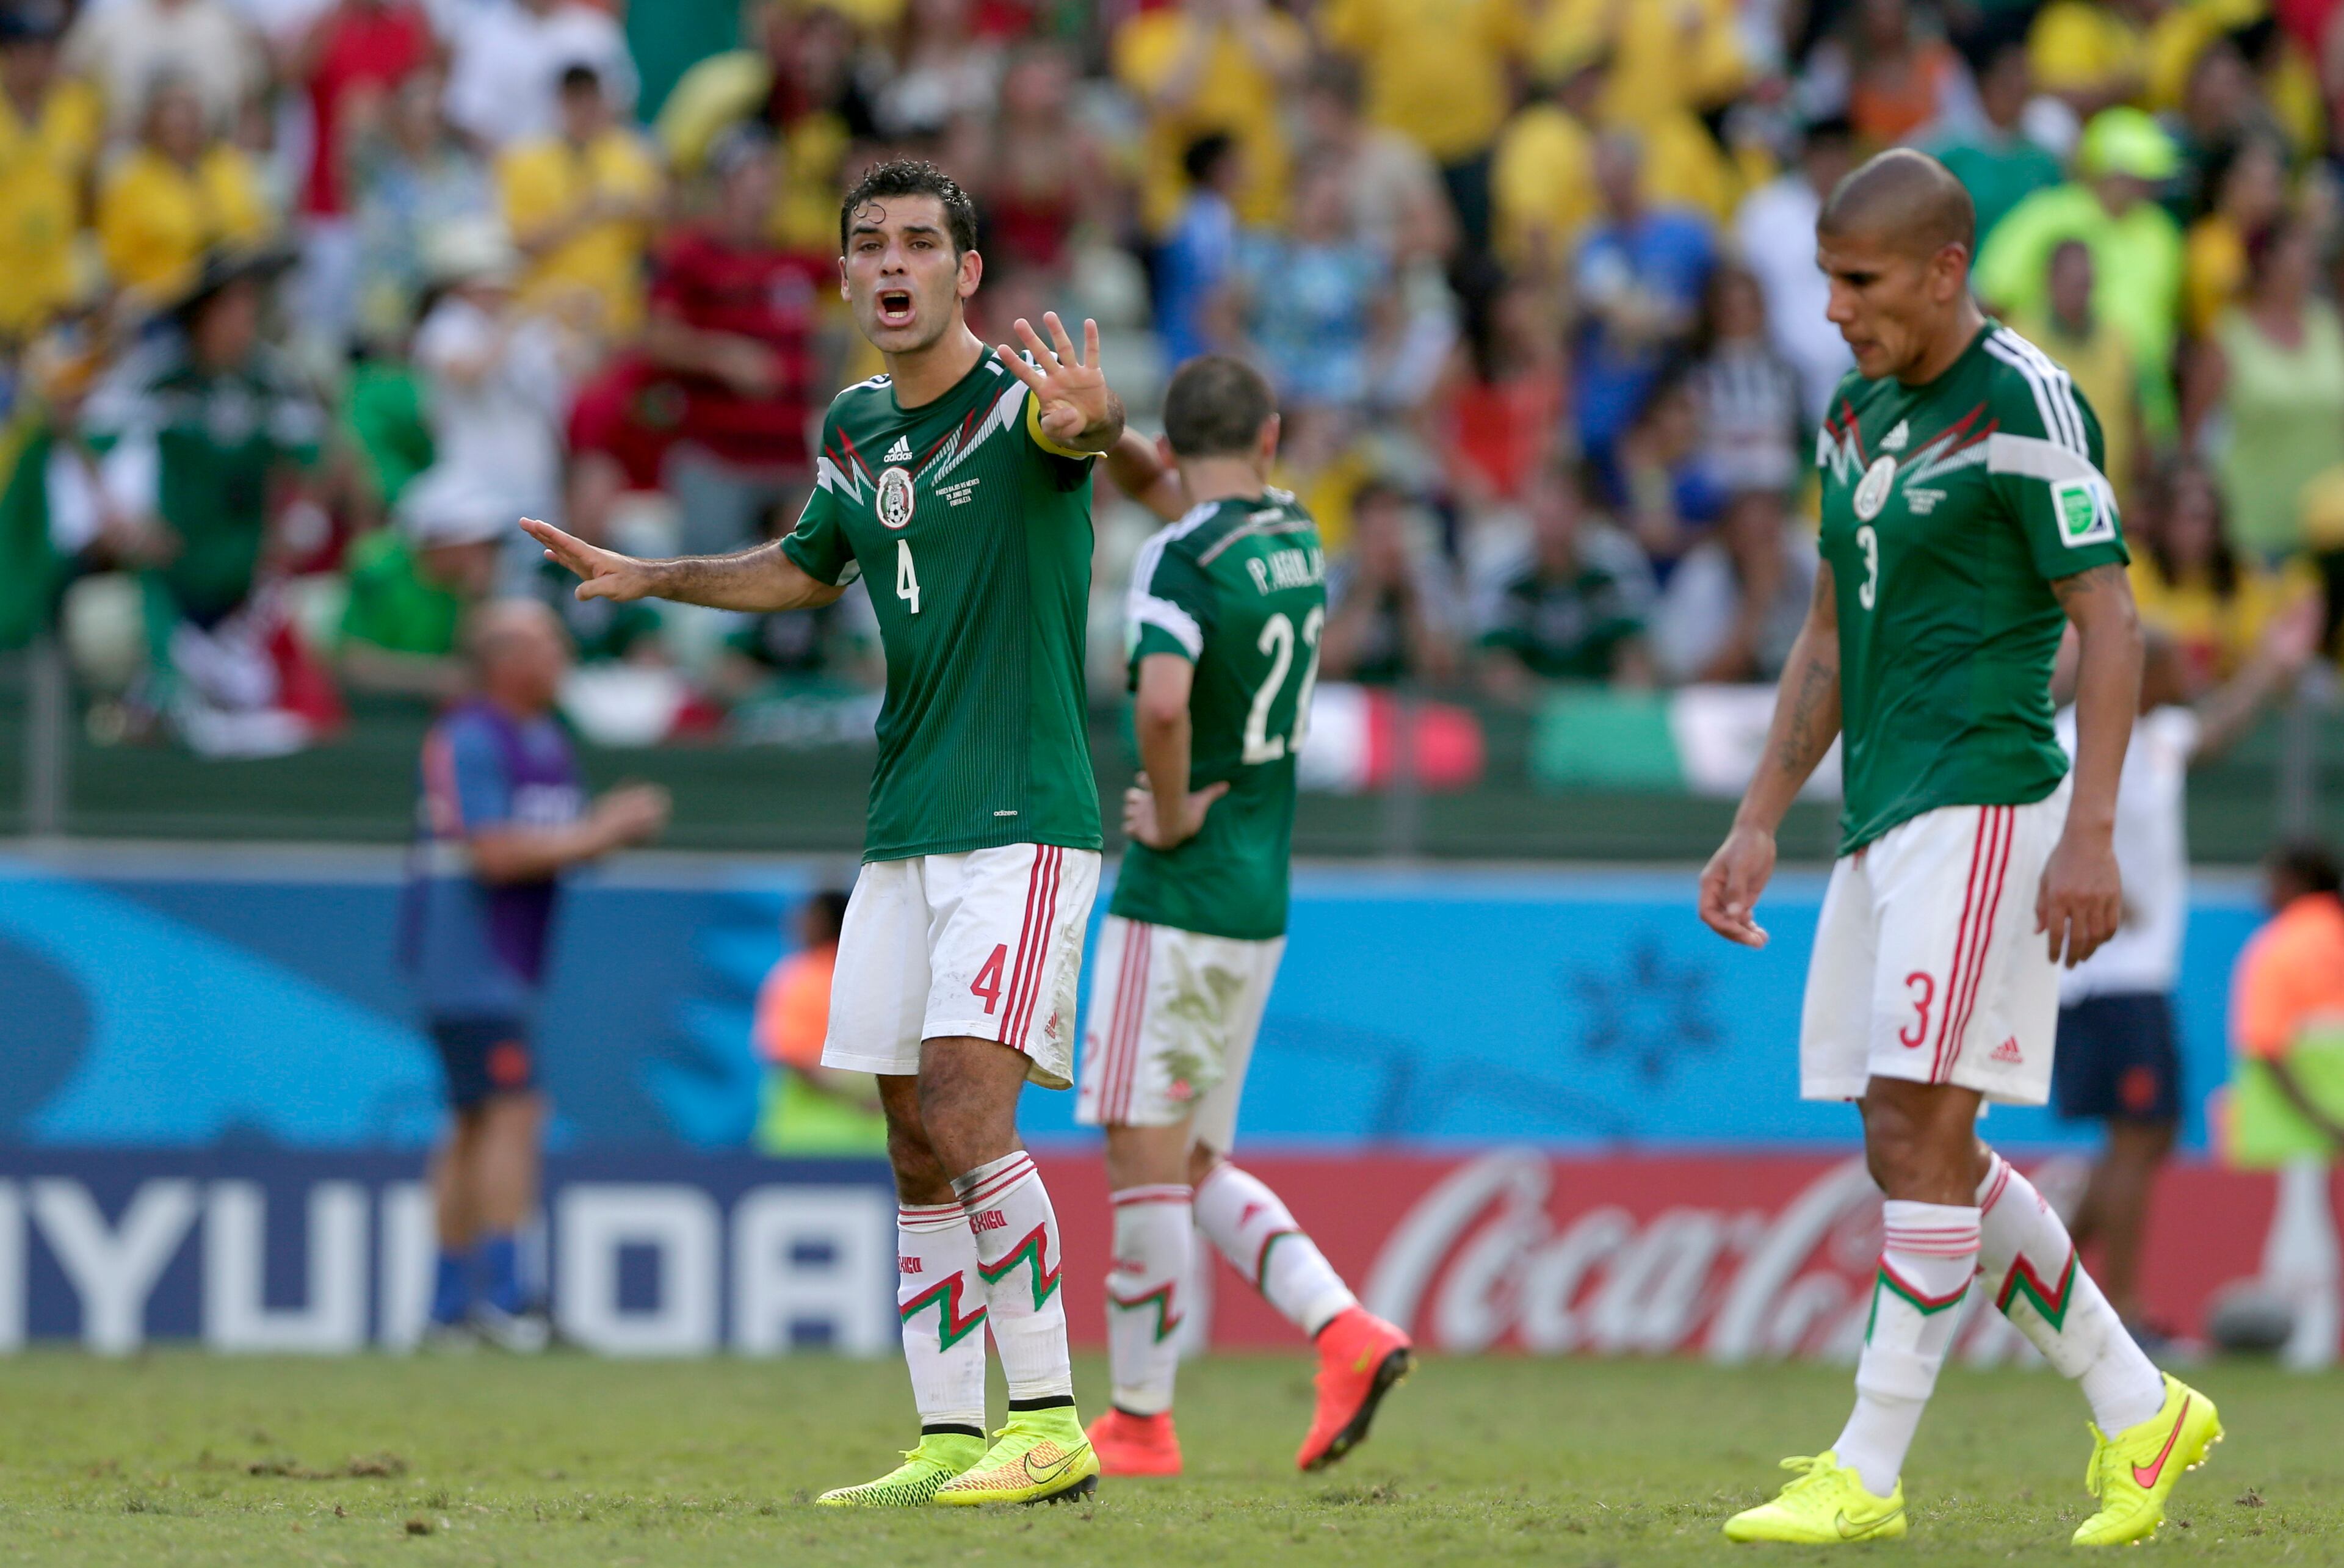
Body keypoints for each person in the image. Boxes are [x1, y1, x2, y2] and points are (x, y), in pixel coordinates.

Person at [523, 159, 1137, 1508]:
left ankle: (1051, 1422)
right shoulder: (857, 425)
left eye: (924, 242)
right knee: (911, 1135)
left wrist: (1098, 422)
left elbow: (1080, 439)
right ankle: (947, 1437)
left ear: (968, 272)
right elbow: (808, 565)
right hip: (904, 824)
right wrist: (658, 576)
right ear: (849, 276)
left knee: (973, 1112)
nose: (897, 263)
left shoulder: (1020, 409)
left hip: (1020, 820)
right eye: (872, 245)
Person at [1698, 149, 2218, 1548]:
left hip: (1988, 801)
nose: (1832, 310)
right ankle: (2137, 1407)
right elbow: (1823, 631)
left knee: (1921, 1130)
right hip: (1880, 814)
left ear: (1942, 268)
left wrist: (2087, 830)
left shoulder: (2025, 401)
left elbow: (2110, 625)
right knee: (1904, 1138)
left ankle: (1863, 1470)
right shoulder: (1853, 414)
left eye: (1857, 283)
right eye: (1822, 279)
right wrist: (1756, 816)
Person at [1076, 356, 1413, 1477]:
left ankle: (1137, 1418)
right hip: (1260, 892)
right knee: (1197, 1151)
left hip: (1177, 894)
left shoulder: (1174, 554)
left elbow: (1162, 700)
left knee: (1142, 1153)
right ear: (1269, 438)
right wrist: (1120, 440)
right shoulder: (1295, 536)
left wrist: (1166, 817)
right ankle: (1344, 1329)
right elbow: (1188, 509)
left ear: (1173, 451)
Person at [405, 598, 670, 1348]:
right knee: (513, 1113)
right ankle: (509, 1300)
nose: (562, 654)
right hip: (467, 959)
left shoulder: (549, 741)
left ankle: (450, 1308)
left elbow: (560, 844)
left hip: (508, 963)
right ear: (505, 660)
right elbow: (494, 852)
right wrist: (603, 829)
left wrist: (605, 832)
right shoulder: (469, 737)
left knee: (472, 1121)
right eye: (547, 642)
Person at [2051, 609, 2322, 1336]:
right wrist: (2107, 884)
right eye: (2174, 666)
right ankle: (2120, 1307)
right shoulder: (2074, 740)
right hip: (2108, 974)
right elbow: (2041, 819)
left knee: (2145, 1134)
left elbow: (2218, 726)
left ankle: (2050, 1287)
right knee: (2141, 1133)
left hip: (2137, 973)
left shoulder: (2152, 738)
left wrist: (2271, 663)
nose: (2187, 681)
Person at [642, 126, 830, 558]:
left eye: (772, 175)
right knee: (711, 582)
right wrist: (721, 356)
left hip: (788, 463)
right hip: (718, 460)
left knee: (801, 582)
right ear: (724, 185)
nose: (765, 187)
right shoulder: (690, 257)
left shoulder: (793, 259)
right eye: (753, 174)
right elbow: (657, 339)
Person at [2228, 840, 2344, 1370]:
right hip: (2327, 1118)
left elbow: (2267, 1046)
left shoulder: (2279, 947)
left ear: (2296, 880)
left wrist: (2315, 1116)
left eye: (2271, 878)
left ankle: (2306, 1347)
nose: (2264, 891)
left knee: (2302, 1233)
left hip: (2295, 1126)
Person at [2183, 212, 2344, 563]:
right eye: (2298, 252)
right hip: (2254, 535)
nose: (2309, 262)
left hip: (2330, 532)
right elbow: (2192, 439)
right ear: (2266, 262)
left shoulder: (2331, 327)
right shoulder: (2228, 337)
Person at [497, 61, 664, 342]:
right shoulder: (524, 161)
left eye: (591, 97)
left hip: (618, 310)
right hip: (548, 311)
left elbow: (663, 224)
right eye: (575, 98)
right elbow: (521, 243)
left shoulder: (632, 153)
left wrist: (628, 207)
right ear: (560, 102)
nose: (584, 108)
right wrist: (583, 211)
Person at [1475, 458, 1657, 696]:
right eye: (1544, 503)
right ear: (1526, 510)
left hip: (1604, 713)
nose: (1553, 513)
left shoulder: (1614, 568)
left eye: (1563, 502)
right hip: (1528, 718)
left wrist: (1615, 713)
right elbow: (1498, 670)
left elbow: (1635, 662)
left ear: (1582, 509)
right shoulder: (1503, 576)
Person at [96, 73, 275, 303]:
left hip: (232, 299)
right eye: (172, 120)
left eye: (189, 119)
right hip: (163, 307)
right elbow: (117, 266)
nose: (182, 128)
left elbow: (258, 230)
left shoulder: (227, 165)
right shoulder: (129, 183)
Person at [1736, 114, 1857, 424]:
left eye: (1839, 152)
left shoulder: (1874, 211)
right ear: (1806, 156)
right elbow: (1741, 288)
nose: (1831, 163)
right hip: (1780, 376)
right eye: (1823, 153)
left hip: (1859, 372)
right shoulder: (1765, 212)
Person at [753, 889, 887, 1155]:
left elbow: (791, 1055)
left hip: (806, 1143)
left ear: (824, 922)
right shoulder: (886, 974)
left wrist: (853, 1096)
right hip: (879, 1141)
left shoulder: (800, 978)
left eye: (808, 916)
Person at [0, 3, 103, 342]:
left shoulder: (75, 106)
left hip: (57, 275)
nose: (42, 62)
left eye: (49, 51)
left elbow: (89, 184)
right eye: (32, 51)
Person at [1927, 36, 2061, 245]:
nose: (2017, 89)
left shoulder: (2044, 160)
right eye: (2008, 82)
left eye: (2024, 82)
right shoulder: (1943, 149)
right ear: (1986, 83)